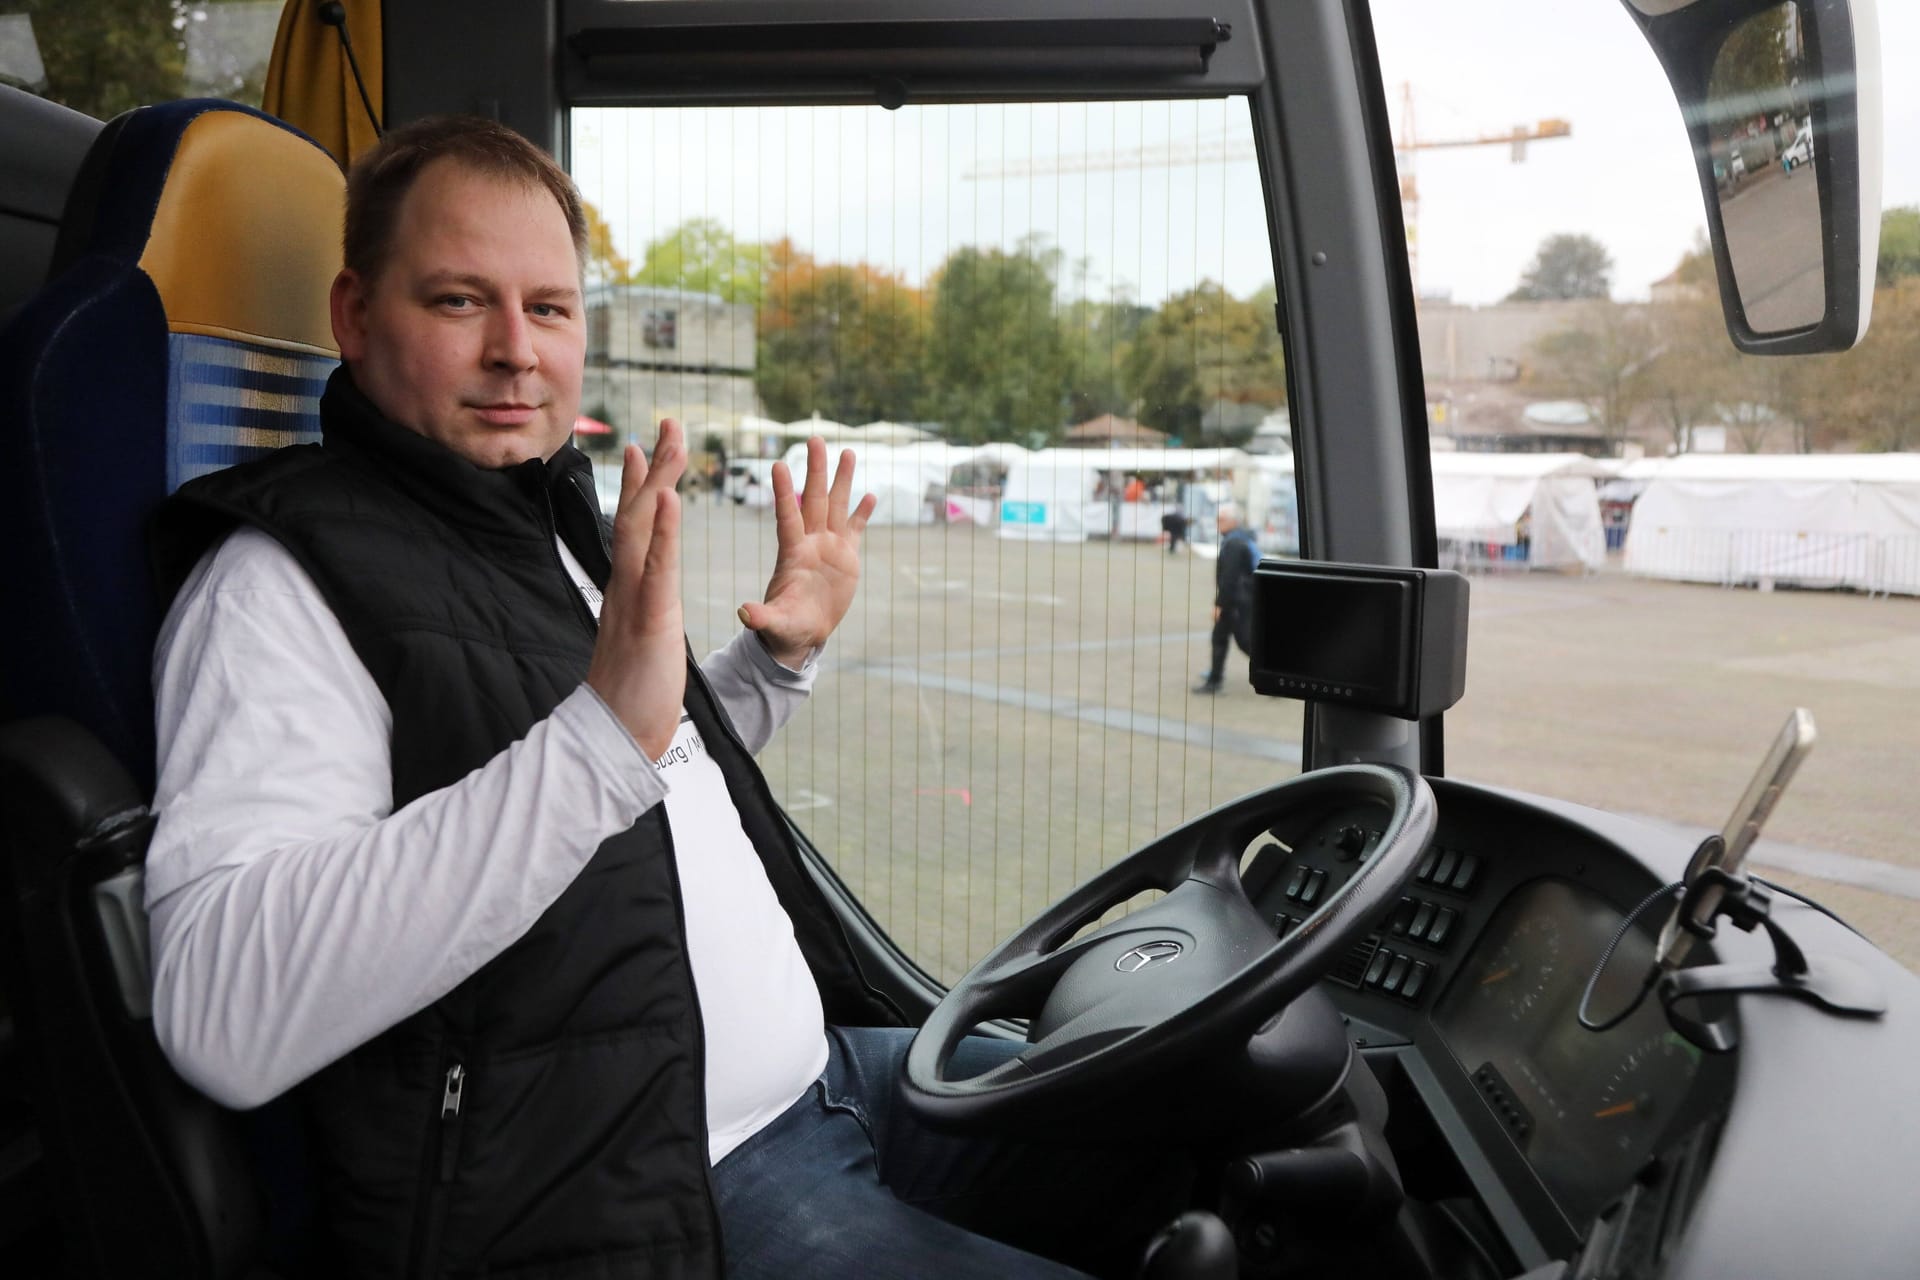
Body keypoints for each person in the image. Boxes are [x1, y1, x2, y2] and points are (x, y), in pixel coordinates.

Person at [143, 115, 1183, 1279]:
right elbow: (220, 1008)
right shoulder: (280, 586)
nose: (515, 352)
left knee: (1207, 1113)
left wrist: (769, 669)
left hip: (832, 1081)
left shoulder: (543, 524)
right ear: (353, 315)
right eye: (456, 302)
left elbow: (633, 787)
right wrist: (604, 732)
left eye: (548, 308)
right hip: (654, 1184)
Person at [1193, 501, 1260, 694]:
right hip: (1240, 599)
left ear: (1233, 521)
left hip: (1237, 601)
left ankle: (1275, 672)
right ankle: (1215, 678)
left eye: (1221, 519)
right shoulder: (1240, 539)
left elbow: (1229, 577)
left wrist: (1220, 604)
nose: (1217, 522)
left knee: (1245, 641)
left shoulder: (1234, 544)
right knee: (1221, 637)